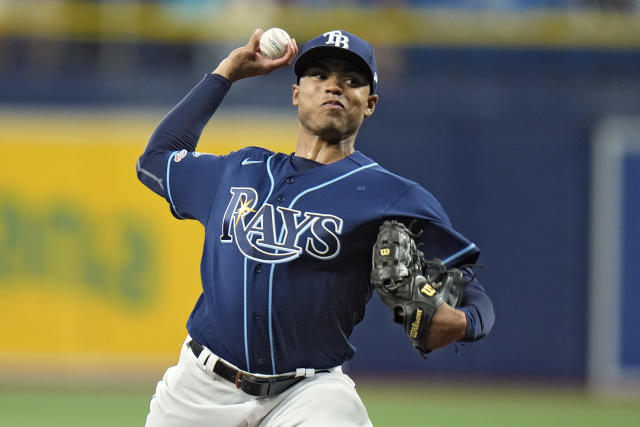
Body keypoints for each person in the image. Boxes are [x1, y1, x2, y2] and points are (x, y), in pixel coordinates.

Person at [138, 28, 495, 427]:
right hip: (201, 388)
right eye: (319, 75)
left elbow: (472, 292)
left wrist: (462, 323)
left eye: (351, 80)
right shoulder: (238, 170)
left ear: (370, 103)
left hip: (310, 395)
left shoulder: (392, 196)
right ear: (296, 93)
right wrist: (226, 73)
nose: (334, 87)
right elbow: (155, 159)